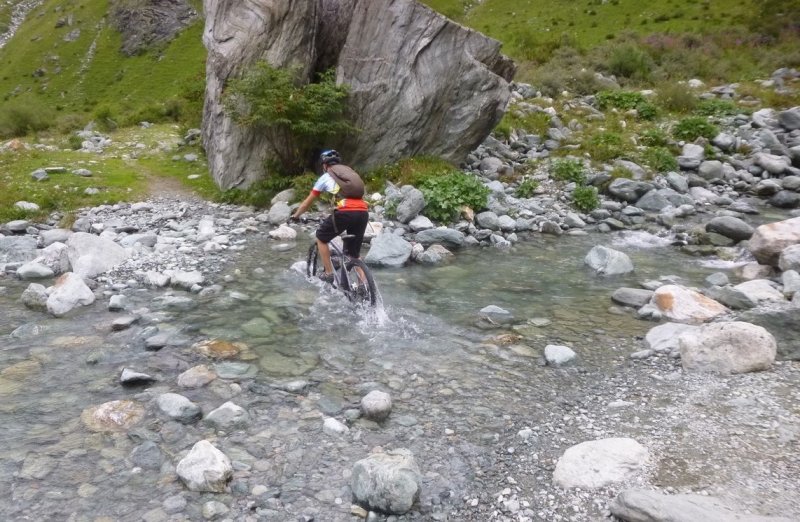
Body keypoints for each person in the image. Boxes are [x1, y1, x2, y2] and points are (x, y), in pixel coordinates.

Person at [290, 150, 369, 283]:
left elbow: (307, 203)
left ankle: (328, 273)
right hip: (363, 212)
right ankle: (364, 286)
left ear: (325, 165)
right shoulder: (348, 175)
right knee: (354, 254)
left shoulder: (325, 177)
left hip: (345, 212)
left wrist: (296, 215)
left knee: (321, 237)